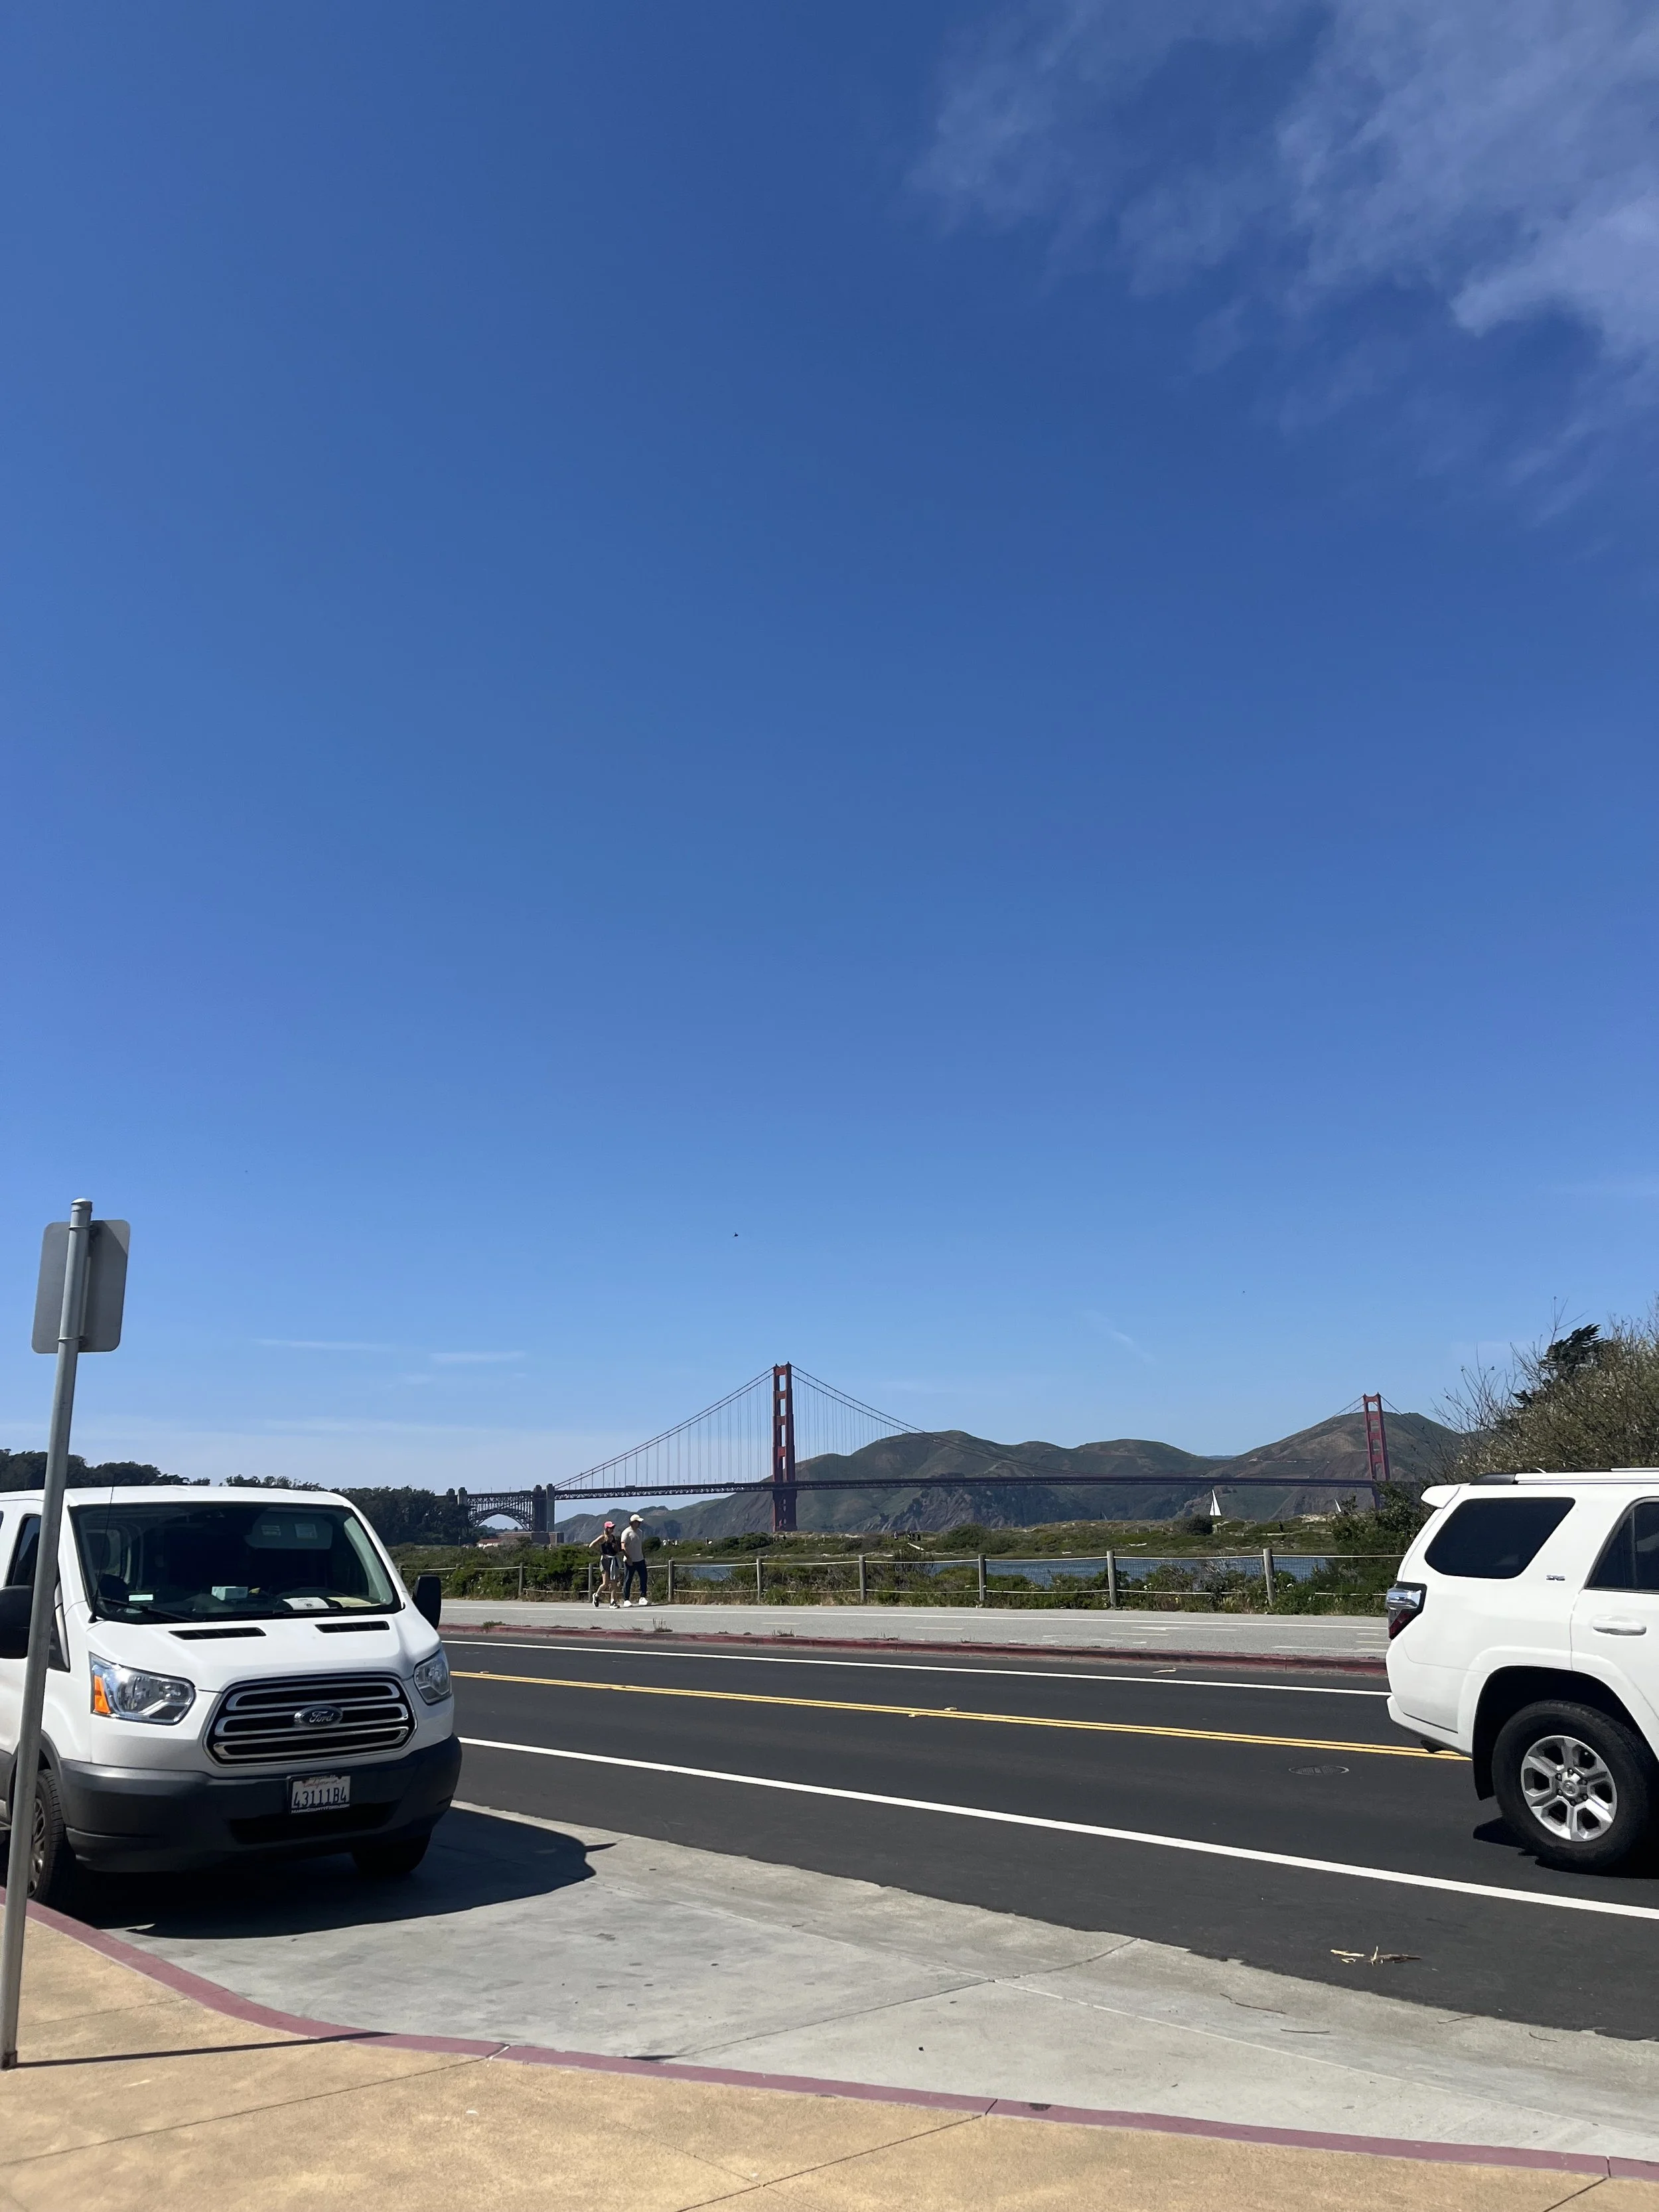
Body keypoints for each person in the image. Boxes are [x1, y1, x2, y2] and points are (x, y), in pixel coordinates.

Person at [588, 1520, 622, 1608]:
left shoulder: (614, 1538)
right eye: (610, 1528)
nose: (612, 1529)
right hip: (605, 1561)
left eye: (613, 1528)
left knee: (614, 1582)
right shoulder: (603, 1538)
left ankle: (613, 1601)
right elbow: (591, 1545)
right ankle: (596, 1595)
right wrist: (601, 1553)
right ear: (607, 1529)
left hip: (613, 1560)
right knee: (605, 1583)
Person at [620, 1513, 650, 1605]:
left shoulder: (640, 1532)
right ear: (633, 1523)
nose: (639, 1523)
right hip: (630, 1560)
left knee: (644, 1577)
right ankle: (626, 1599)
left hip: (640, 1559)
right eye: (638, 1522)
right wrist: (628, 1558)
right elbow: (623, 1546)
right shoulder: (626, 1532)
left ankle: (643, 1597)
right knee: (628, 1579)